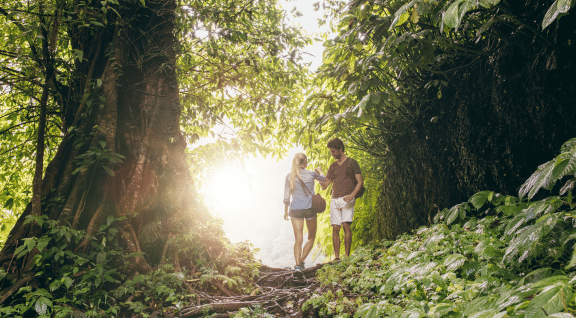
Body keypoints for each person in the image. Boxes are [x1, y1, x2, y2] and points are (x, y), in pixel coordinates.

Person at [318, 138, 363, 260]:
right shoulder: (332, 166)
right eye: (331, 152)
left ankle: (347, 256)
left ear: (340, 149)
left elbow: (360, 182)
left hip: (347, 198)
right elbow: (325, 186)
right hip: (334, 199)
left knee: (346, 226)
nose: (332, 154)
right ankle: (337, 257)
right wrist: (319, 175)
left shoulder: (352, 163)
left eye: (333, 151)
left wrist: (352, 195)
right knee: (335, 228)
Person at [283, 153, 326, 271]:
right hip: (310, 210)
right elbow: (325, 181)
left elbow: (286, 197)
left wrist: (286, 211)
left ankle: (297, 266)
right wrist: (320, 171)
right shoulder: (311, 174)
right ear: (305, 162)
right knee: (311, 238)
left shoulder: (289, 176)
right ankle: (302, 261)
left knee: (298, 239)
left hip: (295, 210)